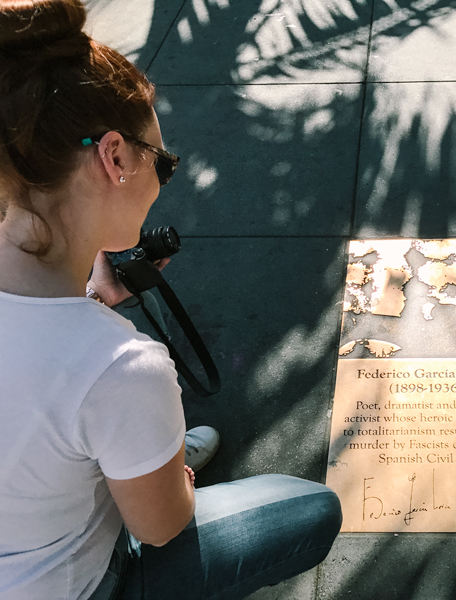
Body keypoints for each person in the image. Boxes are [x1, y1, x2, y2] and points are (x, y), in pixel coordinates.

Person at [0, 1, 342, 599]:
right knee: (312, 510)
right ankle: (150, 463)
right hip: (67, 586)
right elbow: (162, 527)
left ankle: (134, 457)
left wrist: (93, 300)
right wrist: (173, 485)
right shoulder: (122, 368)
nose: (164, 174)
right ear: (115, 158)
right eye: (164, 162)